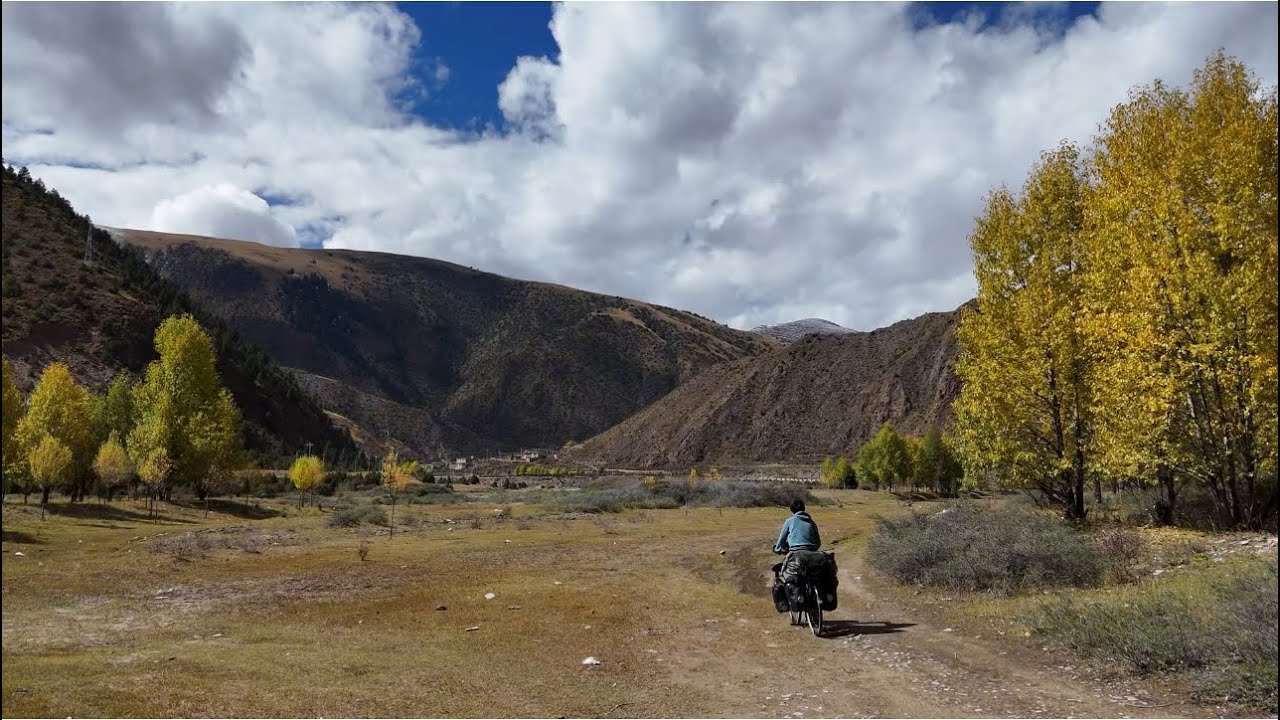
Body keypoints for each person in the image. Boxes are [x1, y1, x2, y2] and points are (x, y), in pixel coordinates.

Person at [773, 499, 821, 586]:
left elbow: (782, 539)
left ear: (792, 510)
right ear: (804, 508)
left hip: (795, 553)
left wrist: (777, 549)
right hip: (812, 554)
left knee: (783, 576)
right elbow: (818, 543)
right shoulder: (812, 522)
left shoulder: (789, 521)